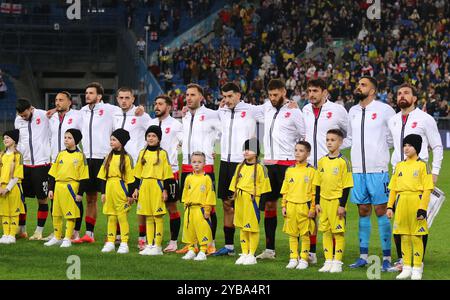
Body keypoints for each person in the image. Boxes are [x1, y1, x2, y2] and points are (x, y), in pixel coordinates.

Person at [387, 83, 443, 272]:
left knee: (420, 219)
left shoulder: (425, 119)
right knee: (398, 220)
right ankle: (403, 260)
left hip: (420, 173)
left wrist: (434, 171)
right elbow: (394, 145)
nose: (402, 96)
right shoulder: (393, 120)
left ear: (415, 98)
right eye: (399, 93)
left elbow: (437, 146)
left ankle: (419, 260)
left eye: (406, 93)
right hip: (399, 173)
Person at [345, 77, 396, 271]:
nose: (358, 87)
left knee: (381, 211)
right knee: (363, 210)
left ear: (373, 91)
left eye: (363, 85)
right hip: (357, 170)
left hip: (378, 170)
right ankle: (363, 256)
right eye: (358, 84)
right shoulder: (353, 111)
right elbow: (349, 138)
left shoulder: (384, 110)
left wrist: (379, 152)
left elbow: (392, 138)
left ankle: (386, 258)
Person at [256, 78, 305, 260]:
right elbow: (249, 110)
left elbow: (303, 134)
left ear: (284, 92)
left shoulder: (294, 111)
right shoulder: (266, 107)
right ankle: (269, 250)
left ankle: (299, 251)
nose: (272, 98)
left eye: (275, 94)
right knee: (269, 205)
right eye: (270, 95)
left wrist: (298, 160)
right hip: (269, 164)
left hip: (287, 164)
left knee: (293, 207)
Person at [301, 78, 348, 263]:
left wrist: (335, 156)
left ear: (324, 92)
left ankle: (336, 256)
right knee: (311, 210)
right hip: (309, 168)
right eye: (309, 90)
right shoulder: (304, 110)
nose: (311, 94)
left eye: (315, 91)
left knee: (335, 210)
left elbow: (348, 134)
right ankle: (311, 252)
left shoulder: (337, 110)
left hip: (330, 168)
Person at [74, 82, 124, 244]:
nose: (87, 95)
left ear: (99, 96)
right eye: (86, 93)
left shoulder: (110, 109)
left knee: (110, 198)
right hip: (87, 160)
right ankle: (89, 233)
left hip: (104, 159)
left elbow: (127, 111)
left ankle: (116, 234)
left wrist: (139, 110)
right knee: (90, 198)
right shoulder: (82, 112)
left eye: (91, 93)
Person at [214, 82, 259, 257]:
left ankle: (249, 246)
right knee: (226, 204)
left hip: (243, 164)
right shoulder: (221, 112)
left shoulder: (252, 110)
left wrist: (289, 104)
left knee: (245, 205)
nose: (227, 100)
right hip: (225, 161)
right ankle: (229, 246)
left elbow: (271, 110)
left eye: (230, 96)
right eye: (224, 97)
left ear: (239, 95)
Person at [178, 83, 220, 255]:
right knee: (189, 206)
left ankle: (210, 242)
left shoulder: (211, 114)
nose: (189, 98)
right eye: (187, 94)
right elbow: (183, 134)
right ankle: (191, 243)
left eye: (193, 95)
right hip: (187, 165)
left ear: (201, 97)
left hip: (206, 166)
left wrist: (212, 146)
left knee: (208, 206)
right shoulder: (186, 115)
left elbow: (221, 132)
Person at [387, 134, 433, 280]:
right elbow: (393, 188)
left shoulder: (423, 165)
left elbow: (427, 189)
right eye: (405, 145)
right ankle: (406, 267)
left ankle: (417, 268)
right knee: (404, 236)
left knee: (416, 237)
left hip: (416, 201)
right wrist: (390, 207)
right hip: (401, 203)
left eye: (410, 145)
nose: (406, 148)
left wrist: (422, 208)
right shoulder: (399, 165)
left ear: (417, 148)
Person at [113, 87, 152, 249]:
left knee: (140, 203)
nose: (124, 100)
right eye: (121, 97)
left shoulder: (141, 115)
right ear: (117, 99)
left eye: (127, 98)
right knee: (120, 201)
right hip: (119, 166)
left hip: (136, 166)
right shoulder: (113, 114)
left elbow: (154, 130)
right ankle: (118, 234)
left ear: (133, 99)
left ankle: (142, 237)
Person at [314, 129, 353, 273]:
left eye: (333, 140)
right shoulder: (322, 161)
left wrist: (342, 205)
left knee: (338, 232)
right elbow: (317, 184)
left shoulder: (344, 162)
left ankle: (337, 262)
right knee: (325, 232)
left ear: (340, 142)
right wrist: (317, 202)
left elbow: (347, 186)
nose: (329, 142)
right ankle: (328, 261)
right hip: (323, 202)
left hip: (336, 202)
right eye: (328, 140)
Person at [148, 95, 183, 253]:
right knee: (153, 207)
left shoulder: (176, 125)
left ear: (169, 107)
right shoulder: (151, 123)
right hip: (153, 174)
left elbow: (184, 142)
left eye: (160, 104)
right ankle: (154, 241)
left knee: (171, 206)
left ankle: (174, 241)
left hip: (170, 172)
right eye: (156, 104)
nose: (157, 106)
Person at [229, 138, 271, 265]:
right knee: (242, 227)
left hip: (252, 201)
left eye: (250, 149)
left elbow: (265, 187)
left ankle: (252, 254)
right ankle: (244, 252)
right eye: (245, 149)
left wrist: (261, 204)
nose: (246, 152)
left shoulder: (260, 168)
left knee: (252, 228)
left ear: (257, 152)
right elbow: (234, 184)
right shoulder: (239, 167)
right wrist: (232, 200)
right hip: (239, 200)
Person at [48, 91, 83, 241]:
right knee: (54, 198)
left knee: (75, 199)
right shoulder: (51, 117)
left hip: (74, 159)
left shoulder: (78, 115)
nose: (57, 102)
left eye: (61, 100)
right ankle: (56, 232)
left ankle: (75, 231)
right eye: (56, 100)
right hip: (57, 159)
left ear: (70, 102)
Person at [44, 129, 89, 248]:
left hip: (71, 187)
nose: (66, 140)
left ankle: (68, 238)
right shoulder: (60, 154)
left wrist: (80, 193)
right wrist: (51, 189)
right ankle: (57, 237)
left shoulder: (80, 156)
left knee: (70, 214)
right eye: (65, 137)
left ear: (76, 141)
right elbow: (52, 173)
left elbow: (84, 177)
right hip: (58, 187)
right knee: (56, 214)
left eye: (69, 138)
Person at [133, 125, 173, 256]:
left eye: (154, 136)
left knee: (157, 216)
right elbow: (137, 174)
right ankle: (149, 245)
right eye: (149, 136)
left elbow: (167, 174)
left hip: (157, 186)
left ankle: (158, 246)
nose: (151, 138)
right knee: (148, 216)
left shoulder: (162, 153)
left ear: (159, 139)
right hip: (144, 186)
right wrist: (135, 189)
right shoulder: (142, 153)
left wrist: (165, 190)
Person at [15, 98, 51, 240]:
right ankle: (22, 230)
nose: (23, 117)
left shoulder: (43, 115)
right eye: (21, 115)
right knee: (20, 198)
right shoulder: (18, 120)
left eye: (25, 114)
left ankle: (38, 231)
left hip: (42, 164)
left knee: (42, 199)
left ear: (31, 108)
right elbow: (18, 140)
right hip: (25, 165)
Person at [98, 129, 135, 254]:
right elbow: (103, 176)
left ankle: (124, 242)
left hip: (121, 189)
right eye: (111, 139)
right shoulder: (108, 157)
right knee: (111, 217)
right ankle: (110, 242)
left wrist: (130, 194)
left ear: (122, 142)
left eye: (114, 140)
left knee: (122, 216)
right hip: (109, 189)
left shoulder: (127, 157)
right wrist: (103, 192)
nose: (111, 142)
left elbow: (131, 177)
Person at [281, 141, 317, 270]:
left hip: (305, 207)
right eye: (296, 150)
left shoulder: (312, 171)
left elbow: (314, 192)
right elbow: (285, 189)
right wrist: (283, 205)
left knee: (305, 234)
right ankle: (293, 258)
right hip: (291, 206)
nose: (297, 153)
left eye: (301, 150)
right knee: (292, 234)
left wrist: (313, 208)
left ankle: (304, 259)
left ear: (308, 153)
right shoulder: (289, 170)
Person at [180, 152, 216, 261]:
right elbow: (185, 192)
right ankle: (191, 249)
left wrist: (207, 209)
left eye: (199, 162)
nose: (196, 164)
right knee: (189, 230)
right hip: (190, 208)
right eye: (194, 162)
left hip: (201, 209)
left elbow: (210, 194)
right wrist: (185, 204)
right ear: (191, 163)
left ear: (204, 163)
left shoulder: (207, 178)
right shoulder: (189, 178)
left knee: (202, 230)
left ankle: (203, 250)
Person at [0, 130, 24, 244]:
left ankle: (12, 235)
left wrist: (7, 188)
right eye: (4, 138)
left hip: (13, 188)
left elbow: (16, 175)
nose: (5, 140)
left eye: (7, 138)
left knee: (13, 212)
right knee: (4, 212)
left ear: (14, 140)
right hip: (1, 188)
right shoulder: (1, 155)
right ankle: (5, 234)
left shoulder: (18, 156)